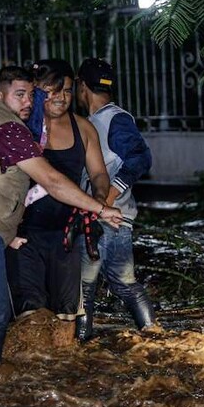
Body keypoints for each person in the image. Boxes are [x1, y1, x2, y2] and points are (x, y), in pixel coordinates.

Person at [0, 65, 123, 375]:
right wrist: (102, 210)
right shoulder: (9, 127)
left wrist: (7, 232)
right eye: (21, 95)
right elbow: (51, 181)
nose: (28, 102)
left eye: (29, 95)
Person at [5, 59, 109, 326]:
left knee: (65, 318)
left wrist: (98, 199)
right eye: (53, 90)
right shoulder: (19, 128)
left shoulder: (84, 128)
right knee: (30, 317)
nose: (62, 98)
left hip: (66, 237)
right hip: (23, 237)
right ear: (36, 90)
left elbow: (98, 173)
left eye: (67, 91)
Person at [74, 57, 157, 341]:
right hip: (113, 217)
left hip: (106, 218)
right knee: (123, 282)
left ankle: (82, 345)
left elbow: (141, 156)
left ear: (82, 87)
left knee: (84, 287)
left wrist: (108, 195)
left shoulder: (114, 119)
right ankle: (153, 336)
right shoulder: (95, 121)